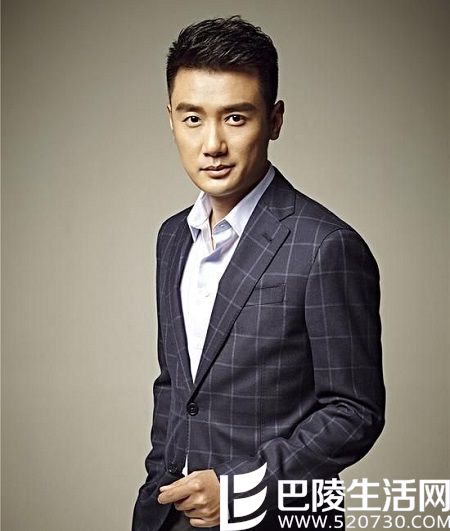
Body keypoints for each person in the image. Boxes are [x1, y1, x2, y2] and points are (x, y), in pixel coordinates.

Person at [132, 15, 385, 531]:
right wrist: (158, 484)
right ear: (171, 119)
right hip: (169, 516)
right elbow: (176, 386)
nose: (212, 144)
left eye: (235, 117)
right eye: (192, 117)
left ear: (274, 120)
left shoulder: (326, 246)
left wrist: (237, 490)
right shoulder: (172, 238)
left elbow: (354, 412)